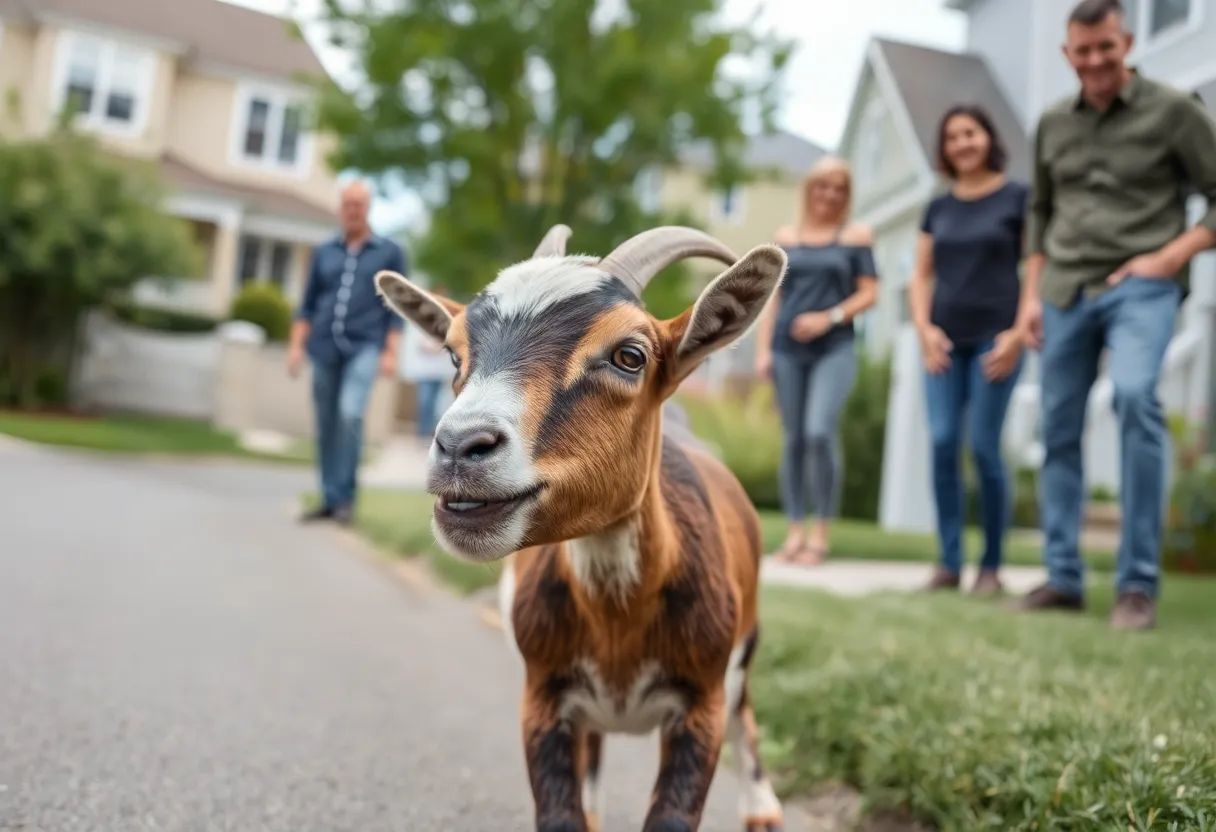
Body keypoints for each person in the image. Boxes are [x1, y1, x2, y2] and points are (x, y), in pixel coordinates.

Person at [1011, 0, 1216, 630]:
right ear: (1066, 53)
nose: (1096, 60)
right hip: (1066, 287)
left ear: (1127, 42)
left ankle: (1136, 586)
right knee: (1059, 428)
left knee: (1134, 399)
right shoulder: (1051, 123)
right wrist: (1029, 300)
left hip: (1141, 286)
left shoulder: (1176, 111)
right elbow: (1041, 212)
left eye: (1107, 46)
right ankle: (1064, 577)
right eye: (1083, 50)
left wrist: (1168, 258)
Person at [909, 105, 1030, 596]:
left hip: (994, 341)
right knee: (941, 443)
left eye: (971, 133)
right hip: (943, 342)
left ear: (988, 138)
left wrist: (1020, 332)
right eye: (953, 136)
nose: (962, 142)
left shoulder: (1017, 197)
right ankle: (949, 562)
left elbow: (1036, 266)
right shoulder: (938, 207)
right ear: (945, 148)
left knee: (983, 446)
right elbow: (920, 274)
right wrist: (923, 329)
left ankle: (991, 567)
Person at [754, 156, 879, 565]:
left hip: (835, 348)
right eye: (823, 185)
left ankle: (820, 533)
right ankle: (794, 533)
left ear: (846, 194)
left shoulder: (856, 236)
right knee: (792, 440)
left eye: (839, 188)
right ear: (809, 189)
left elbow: (869, 293)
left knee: (818, 433)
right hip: (788, 351)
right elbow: (774, 298)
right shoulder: (785, 236)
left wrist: (830, 318)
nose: (830, 194)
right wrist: (763, 350)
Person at [288, 179, 408, 526]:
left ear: (368, 208)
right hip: (323, 346)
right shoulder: (324, 252)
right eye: (347, 204)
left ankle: (346, 499)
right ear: (341, 208)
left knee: (350, 413)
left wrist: (390, 351)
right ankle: (329, 497)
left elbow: (396, 307)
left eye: (359, 204)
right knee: (326, 423)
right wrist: (296, 346)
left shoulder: (389, 252)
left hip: (365, 346)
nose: (353, 210)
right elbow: (307, 306)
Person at [399, 283, 454, 443]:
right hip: (424, 369)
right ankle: (422, 432)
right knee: (424, 400)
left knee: (439, 403)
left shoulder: (448, 319)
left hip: (440, 370)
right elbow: (418, 343)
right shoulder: (421, 318)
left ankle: (433, 432)